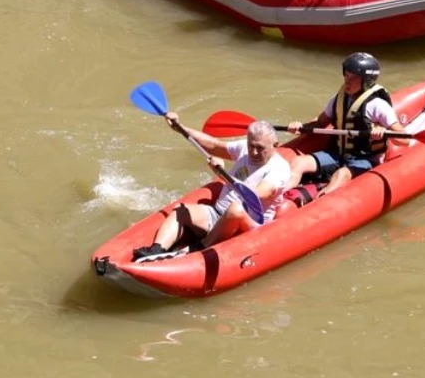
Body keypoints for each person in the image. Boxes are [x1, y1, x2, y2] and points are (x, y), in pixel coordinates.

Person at [132, 111, 290, 262]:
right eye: (251, 146)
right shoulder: (244, 148)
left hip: (249, 226)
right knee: (181, 210)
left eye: (260, 148)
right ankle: (157, 250)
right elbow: (213, 145)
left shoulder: (279, 169)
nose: (254, 152)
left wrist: (221, 174)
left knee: (236, 209)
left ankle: (200, 249)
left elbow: (258, 193)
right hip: (218, 213)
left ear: (275, 145)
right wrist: (180, 128)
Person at [285, 52, 405, 197]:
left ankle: (318, 204)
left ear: (367, 81)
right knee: (298, 162)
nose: (347, 81)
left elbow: (405, 140)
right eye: (346, 75)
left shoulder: (378, 105)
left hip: (364, 159)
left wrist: (384, 131)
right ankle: (278, 195)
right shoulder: (338, 99)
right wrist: (301, 127)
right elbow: (320, 123)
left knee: (341, 174)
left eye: (353, 77)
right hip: (336, 154)